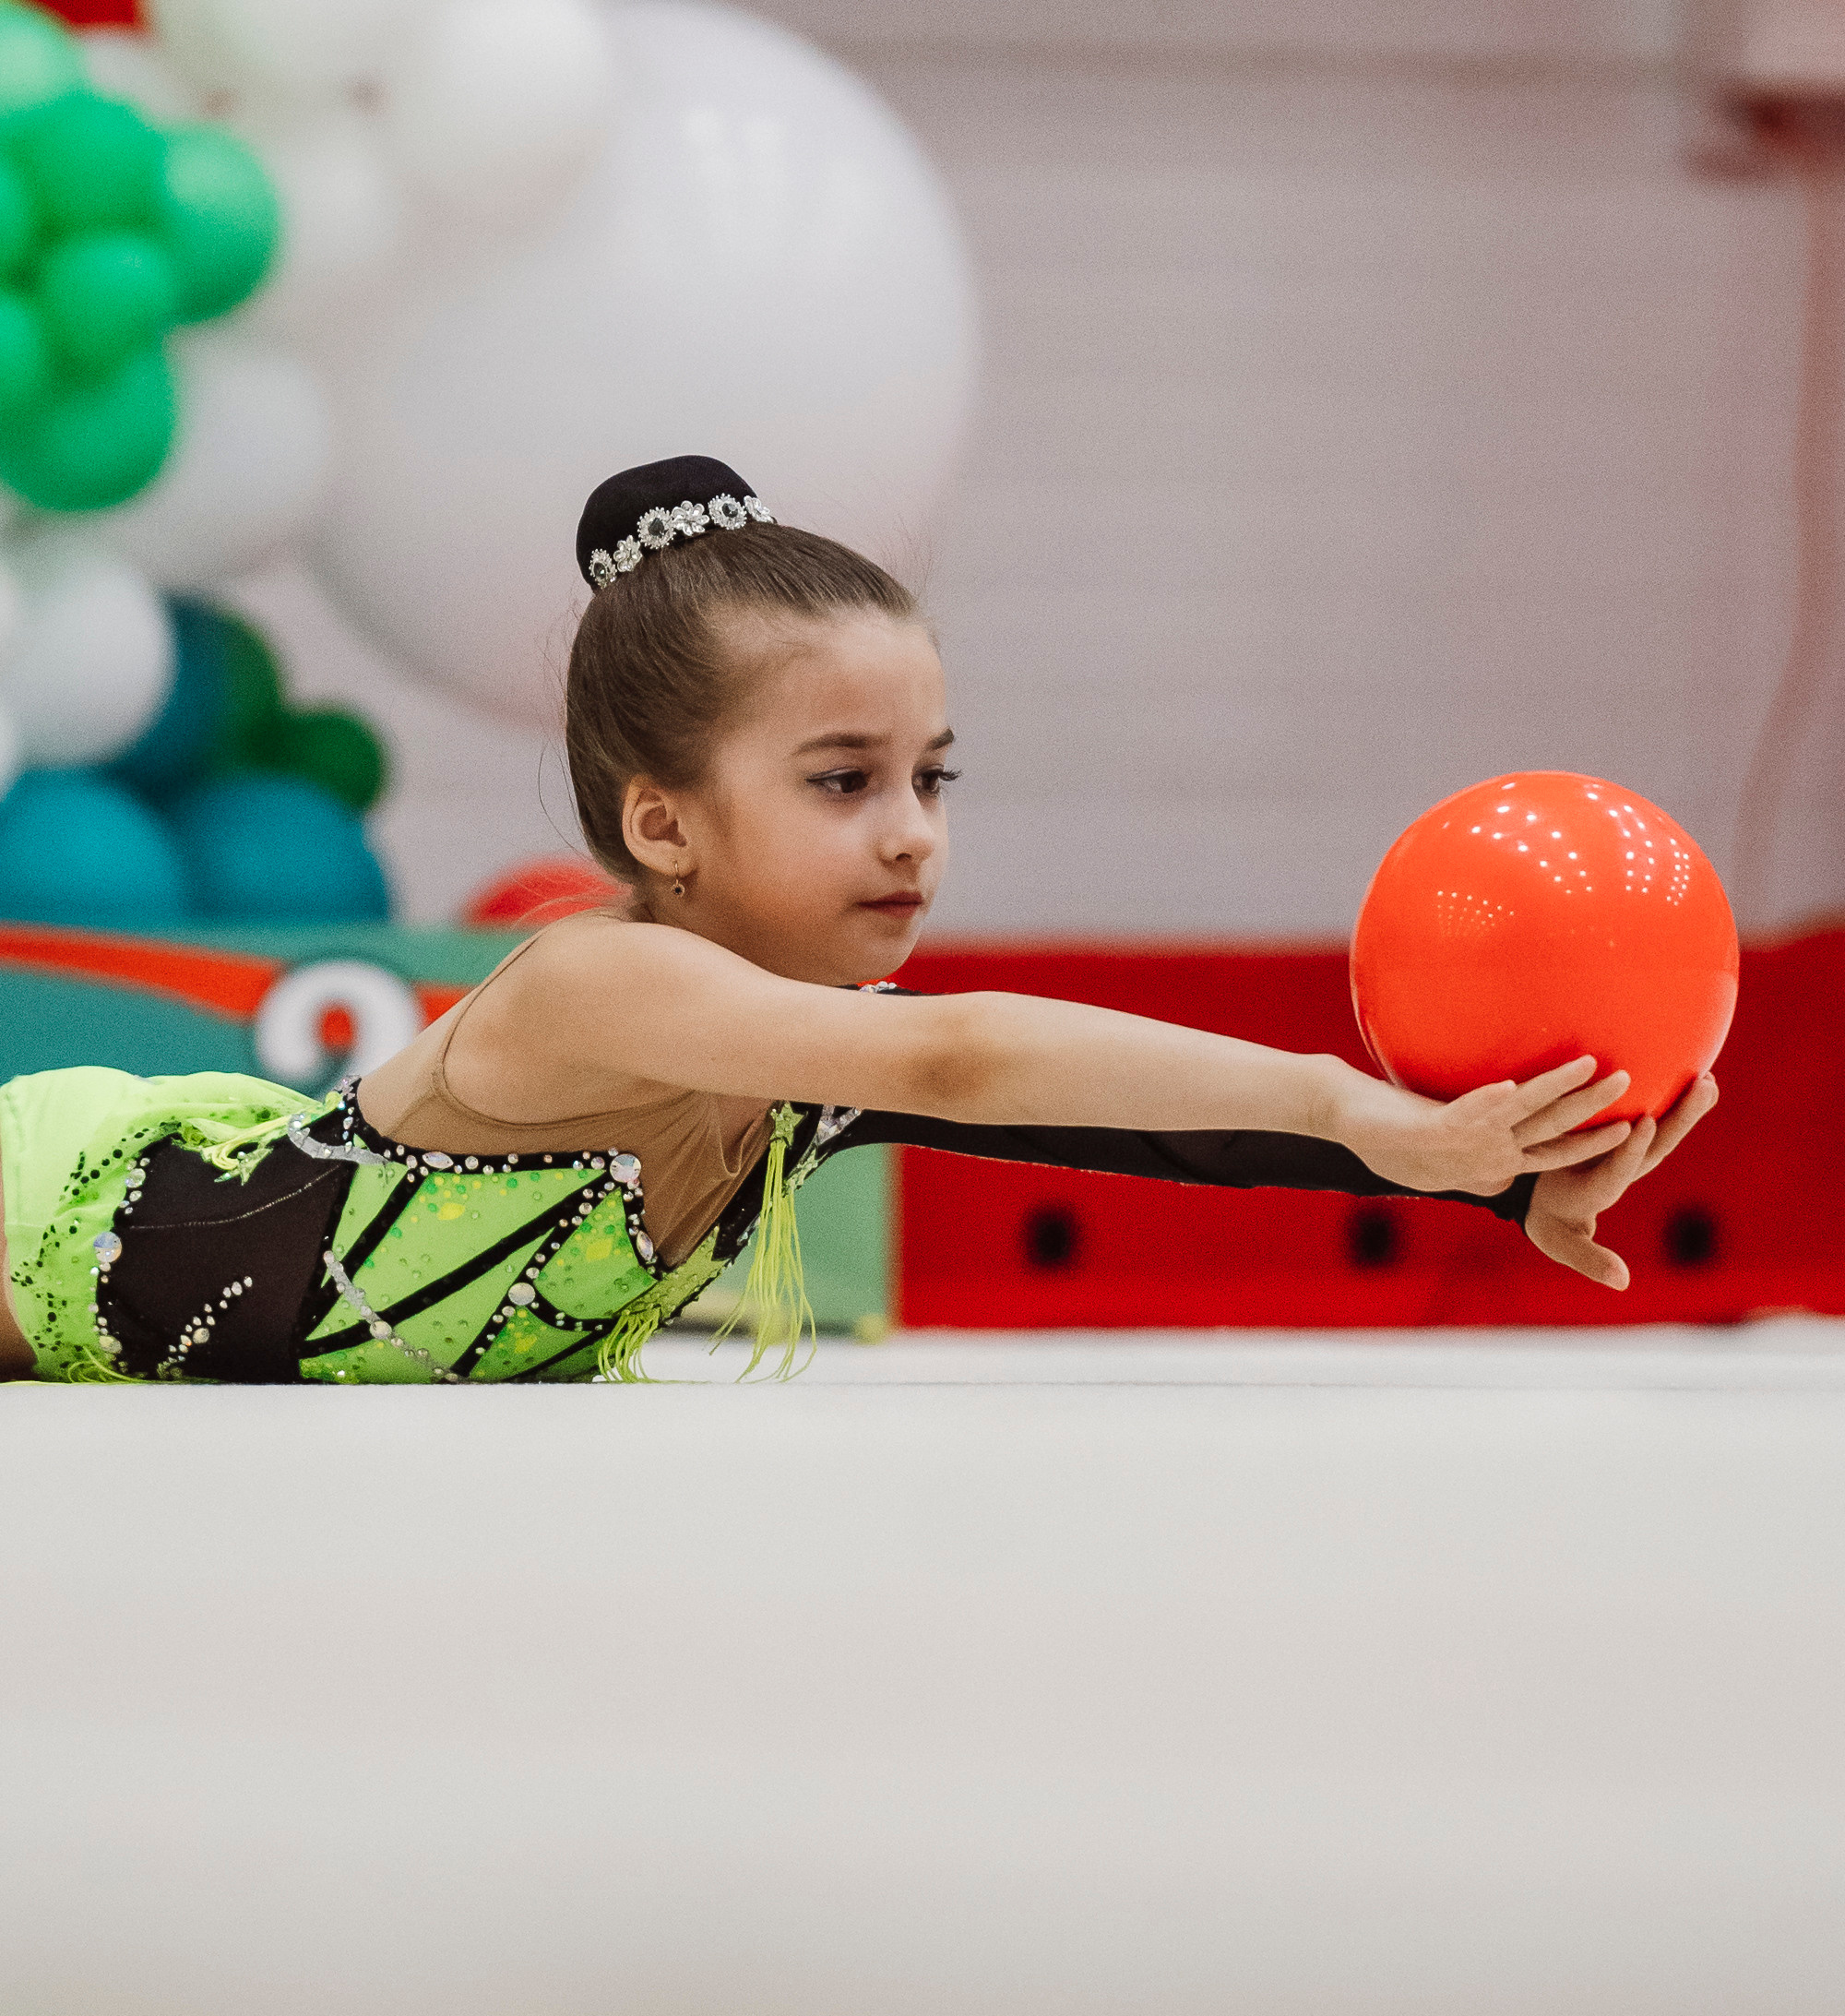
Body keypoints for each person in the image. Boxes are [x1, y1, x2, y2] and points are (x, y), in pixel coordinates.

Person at [0, 456, 1714, 1385]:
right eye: (841, 783)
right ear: (661, 821)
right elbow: (971, 1053)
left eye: (932, 779)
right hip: (50, 1214)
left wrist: (1487, 1161)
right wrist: (1357, 1101)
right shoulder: (596, 991)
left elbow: (1158, 1136)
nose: (909, 839)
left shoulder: (791, 1065)